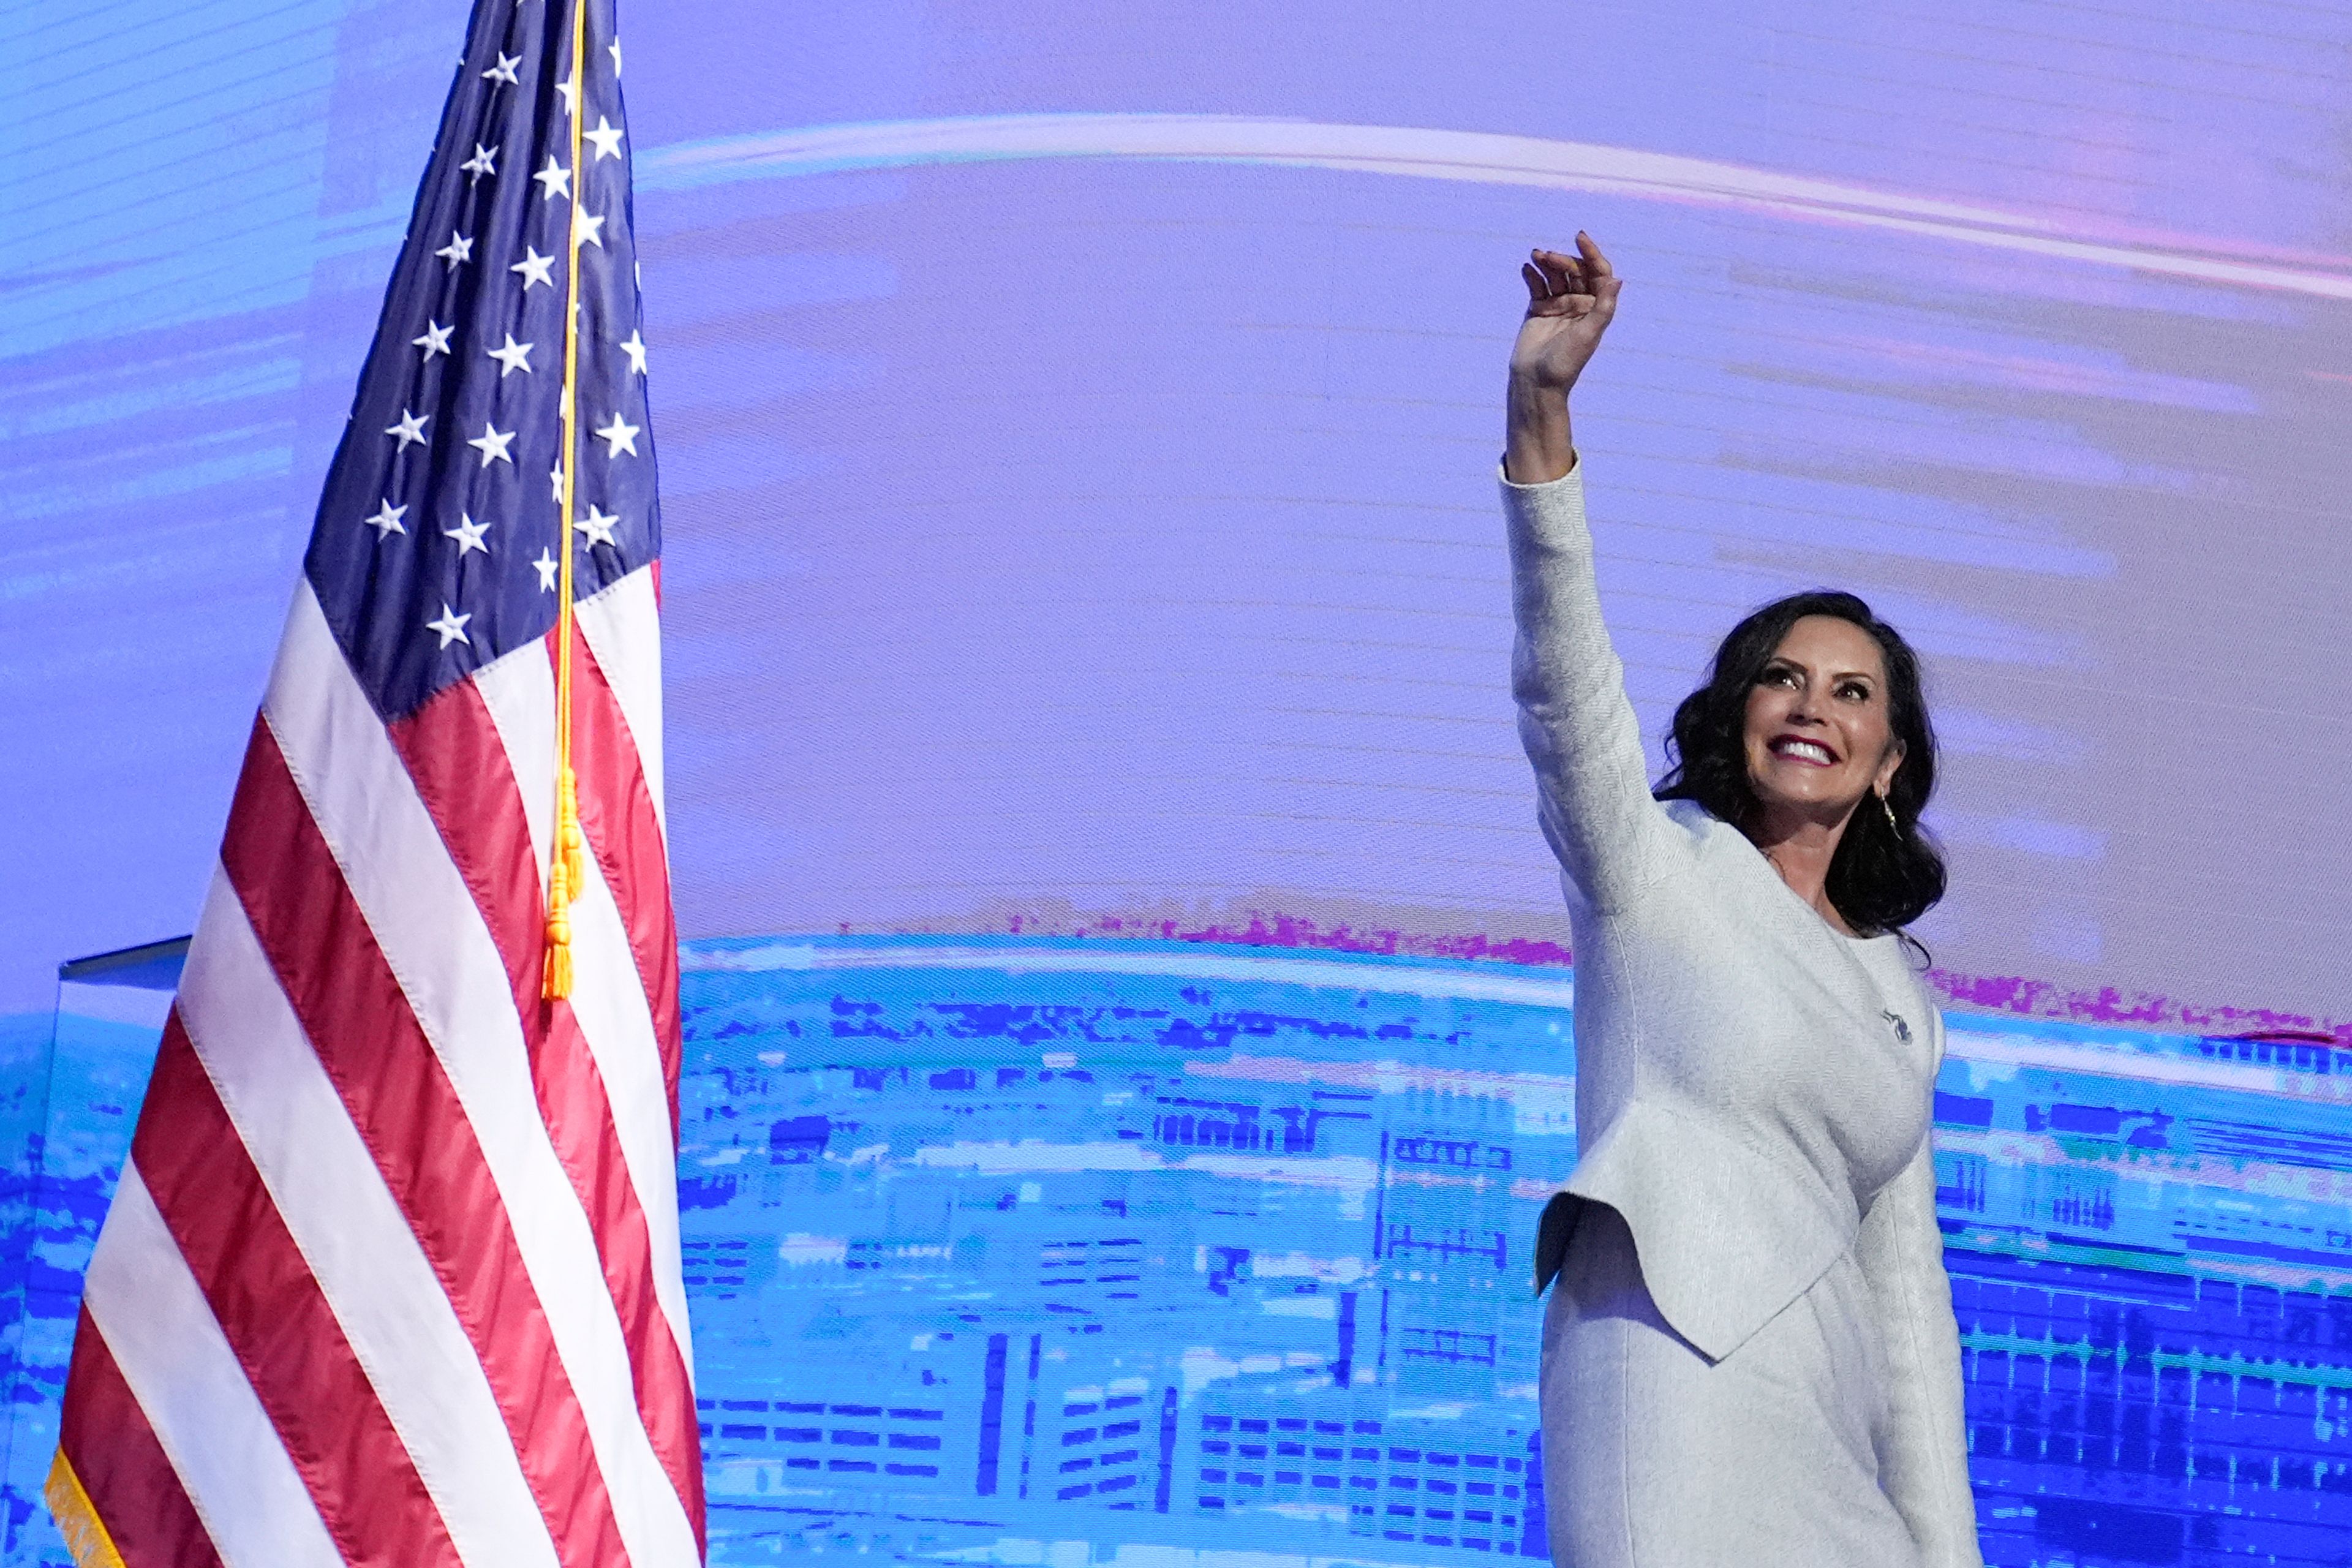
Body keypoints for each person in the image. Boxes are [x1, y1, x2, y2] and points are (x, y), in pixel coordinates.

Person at [1501, 234, 1983, 1567]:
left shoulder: (1901, 995)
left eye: (1850, 690)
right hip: (1668, 1387)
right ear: (1739, 710)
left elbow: (1906, 1296)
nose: (1811, 703)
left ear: (1889, 763)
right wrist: (1541, 412)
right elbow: (1566, 693)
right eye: (1784, 675)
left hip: (1831, 1432)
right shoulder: (1655, 865)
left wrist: (1948, 1552)